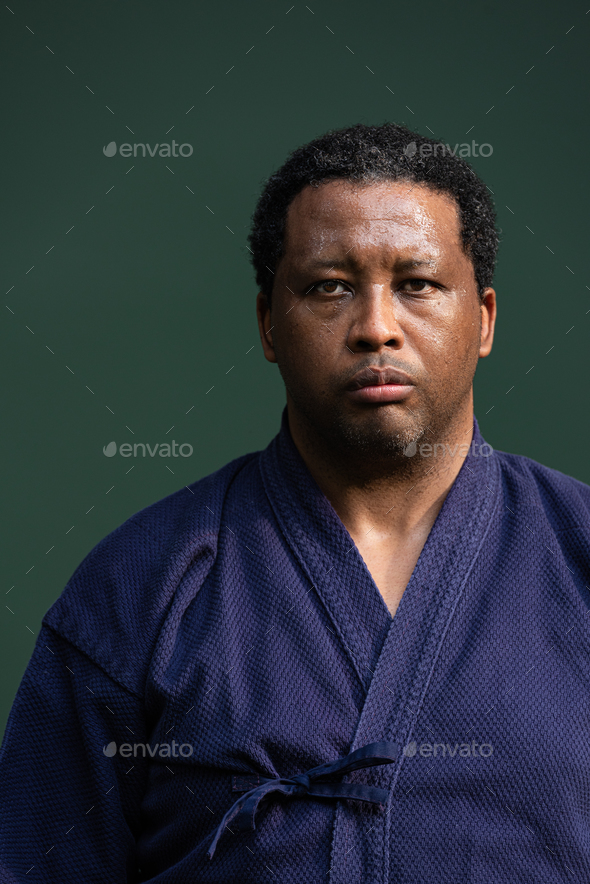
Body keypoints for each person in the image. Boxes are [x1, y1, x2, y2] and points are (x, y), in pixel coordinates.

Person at [1, 122, 589, 883]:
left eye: (417, 284)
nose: (376, 327)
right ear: (268, 324)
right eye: (329, 288)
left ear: (483, 318)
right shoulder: (141, 589)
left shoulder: (575, 556)